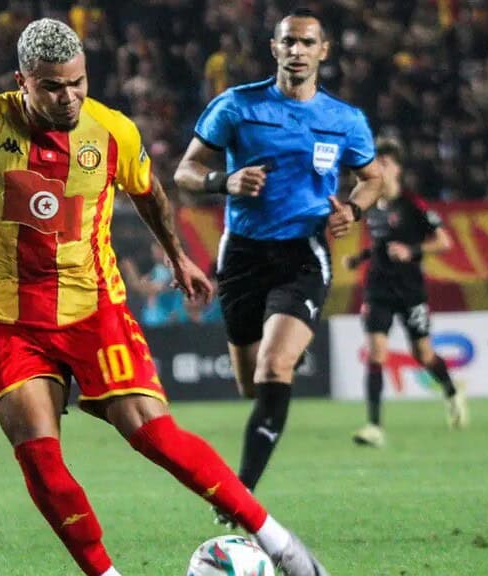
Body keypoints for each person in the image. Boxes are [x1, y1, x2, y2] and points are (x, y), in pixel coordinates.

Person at [0, 18, 329, 576]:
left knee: (155, 434)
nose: (68, 97)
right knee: (41, 460)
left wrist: (177, 254)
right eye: (51, 86)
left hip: (95, 311)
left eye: (78, 82)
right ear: (22, 80)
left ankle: (281, 543)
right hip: (15, 322)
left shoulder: (112, 130)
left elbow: (150, 192)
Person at [173, 8, 384, 506]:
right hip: (243, 253)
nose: (297, 51)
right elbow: (184, 172)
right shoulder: (237, 106)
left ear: (323, 51)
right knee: (251, 384)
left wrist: (351, 210)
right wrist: (222, 181)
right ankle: (287, 342)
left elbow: (374, 178)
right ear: (275, 48)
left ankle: (241, 495)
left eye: (307, 43)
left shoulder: (344, 120)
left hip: (304, 252)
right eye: (288, 42)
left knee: (272, 368)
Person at [344, 137, 468, 447]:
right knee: (376, 353)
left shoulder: (414, 205)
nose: (380, 169)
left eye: (385, 163)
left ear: (397, 169)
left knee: (422, 355)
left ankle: (452, 392)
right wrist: (358, 260)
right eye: (377, 163)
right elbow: (380, 246)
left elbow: (444, 242)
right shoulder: (369, 204)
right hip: (377, 289)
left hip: (410, 290)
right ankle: (374, 426)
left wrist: (412, 250)